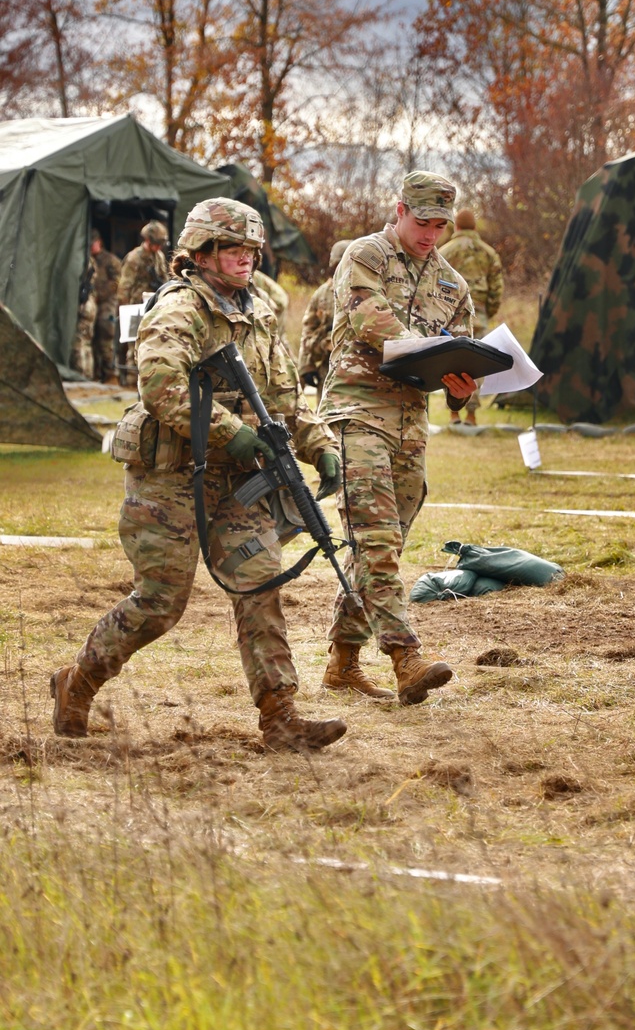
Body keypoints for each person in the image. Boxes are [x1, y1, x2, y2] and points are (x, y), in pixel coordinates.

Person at [49, 198, 346, 754]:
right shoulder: (180, 307)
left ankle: (280, 715)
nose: (247, 259)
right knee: (161, 601)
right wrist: (230, 430)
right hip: (170, 476)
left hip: (236, 483)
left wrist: (318, 444)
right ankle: (78, 681)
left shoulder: (257, 314)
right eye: (235, 248)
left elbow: (283, 400)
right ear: (203, 252)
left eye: (253, 250)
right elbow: (159, 384)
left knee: (261, 584)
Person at [319, 171, 476, 705]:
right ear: (400, 210)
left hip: (411, 426)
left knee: (382, 547)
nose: (431, 234)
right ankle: (404, 657)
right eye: (423, 222)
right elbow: (372, 322)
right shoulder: (365, 256)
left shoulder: (454, 284)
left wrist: (461, 387)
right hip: (358, 412)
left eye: (441, 225)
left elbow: (465, 356)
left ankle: (342, 663)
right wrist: (430, 353)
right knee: (378, 542)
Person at [438, 209, 504, 424]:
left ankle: (454, 413)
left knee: (450, 363)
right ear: (475, 227)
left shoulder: (445, 251)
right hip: (480, 315)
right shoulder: (488, 253)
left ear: (456, 227)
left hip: (451, 314)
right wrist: (487, 312)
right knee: (476, 365)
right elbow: (497, 288)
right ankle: (472, 415)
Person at [118, 220, 171, 385]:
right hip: (136, 307)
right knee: (134, 343)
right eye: (156, 244)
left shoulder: (158, 257)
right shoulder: (134, 258)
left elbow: (164, 279)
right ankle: (133, 380)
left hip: (154, 306)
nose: (158, 248)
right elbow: (124, 286)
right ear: (148, 241)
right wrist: (124, 310)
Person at [298, 239, 352, 388]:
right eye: (339, 264)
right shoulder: (322, 294)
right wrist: (306, 366)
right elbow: (308, 328)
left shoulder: (367, 290)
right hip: (328, 367)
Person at [89, 232, 122, 383]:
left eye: (93, 242)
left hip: (107, 303)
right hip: (91, 304)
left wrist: (100, 294)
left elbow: (117, 282)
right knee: (92, 337)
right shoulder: (88, 260)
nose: (91, 246)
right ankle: (95, 372)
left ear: (99, 242)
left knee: (106, 335)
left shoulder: (110, 260)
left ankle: (110, 373)